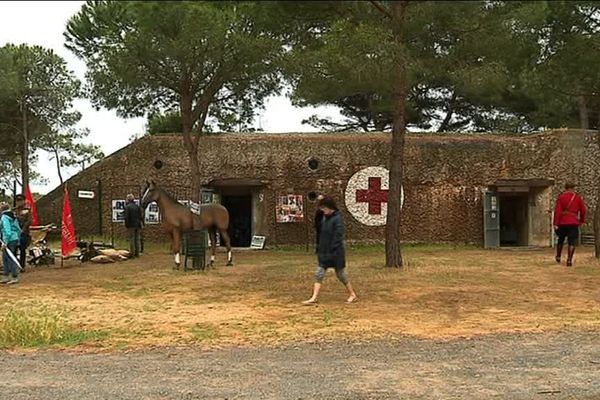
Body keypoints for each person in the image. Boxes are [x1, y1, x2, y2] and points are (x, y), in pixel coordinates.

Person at [303, 196, 358, 304]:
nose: (322, 210)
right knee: (319, 274)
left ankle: (352, 294)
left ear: (329, 207)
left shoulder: (337, 219)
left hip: (336, 253)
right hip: (324, 252)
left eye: (324, 208)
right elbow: (317, 225)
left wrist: (332, 249)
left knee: (341, 275)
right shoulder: (324, 218)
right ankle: (314, 297)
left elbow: (338, 235)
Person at [554, 182, 587, 267]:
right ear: (573, 188)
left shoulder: (561, 197)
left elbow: (557, 211)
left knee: (560, 239)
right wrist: (582, 220)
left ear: (565, 188)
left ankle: (558, 256)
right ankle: (569, 260)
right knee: (572, 241)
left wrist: (555, 223)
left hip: (562, 222)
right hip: (573, 222)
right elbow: (583, 210)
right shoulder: (577, 198)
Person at [1, 202, 22, 284]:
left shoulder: (4, 217)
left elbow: (7, 231)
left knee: (10, 258)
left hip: (9, 240)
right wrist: (18, 238)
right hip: (14, 239)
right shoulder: (13, 216)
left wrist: (5, 242)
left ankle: (14, 276)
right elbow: (18, 229)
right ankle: (6, 276)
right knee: (5, 258)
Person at [14, 194, 32, 270]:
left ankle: (22, 266)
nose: (19, 202)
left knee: (22, 249)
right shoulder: (14, 210)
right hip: (14, 232)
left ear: (24, 201)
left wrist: (23, 229)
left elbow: (29, 221)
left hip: (23, 232)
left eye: (21, 201)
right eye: (18, 201)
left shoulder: (27, 210)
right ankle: (15, 265)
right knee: (14, 249)